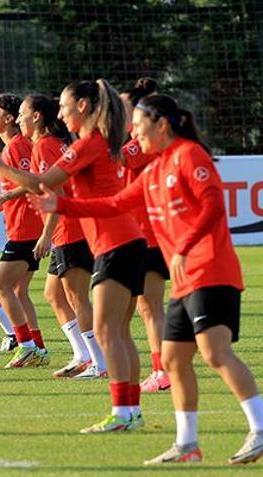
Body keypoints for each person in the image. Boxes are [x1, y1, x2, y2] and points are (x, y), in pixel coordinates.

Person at [30, 94, 263, 465]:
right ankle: (187, 445)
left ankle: (259, 428)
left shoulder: (190, 156)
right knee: (172, 358)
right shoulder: (154, 170)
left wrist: (185, 247)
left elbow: (213, 206)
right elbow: (113, 204)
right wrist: (62, 205)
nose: (133, 134)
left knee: (215, 353)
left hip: (211, 269)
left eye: (139, 126)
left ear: (162, 125)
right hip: (186, 278)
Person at [0, 79, 146, 433]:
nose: (61, 113)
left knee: (109, 330)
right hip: (123, 241)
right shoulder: (98, 144)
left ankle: (124, 413)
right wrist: (59, 206)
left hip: (115, 243)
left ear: (83, 106)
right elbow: (67, 192)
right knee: (118, 333)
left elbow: (42, 181)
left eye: (65, 106)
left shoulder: (87, 145)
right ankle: (129, 411)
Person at [17, 94, 104, 379]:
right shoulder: (51, 144)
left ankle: (99, 362)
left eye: (22, 113)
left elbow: (57, 192)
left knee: (77, 296)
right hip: (67, 228)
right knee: (53, 294)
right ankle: (82, 355)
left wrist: (45, 234)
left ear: (37, 116)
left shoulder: (44, 146)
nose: (19, 120)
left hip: (70, 229)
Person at [0, 94, 47, 368]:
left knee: (0, 285)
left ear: (7, 119)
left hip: (27, 229)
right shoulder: (9, 148)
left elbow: (33, 183)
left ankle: (26, 345)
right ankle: (37, 347)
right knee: (18, 291)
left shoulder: (17, 146)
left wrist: (3, 200)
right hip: (20, 225)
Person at [119, 78, 171, 393]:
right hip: (144, 232)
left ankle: (163, 370)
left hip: (148, 234)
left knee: (150, 305)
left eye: (124, 107)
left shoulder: (138, 143)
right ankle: (162, 368)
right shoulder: (137, 138)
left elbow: (119, 157)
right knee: (147, 305)